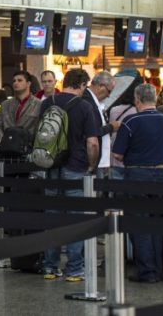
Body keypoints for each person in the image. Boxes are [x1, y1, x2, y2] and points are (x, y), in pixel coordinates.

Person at [41, 68, 100, 282]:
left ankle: (50, 267)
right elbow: (92, 142)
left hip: (50, 166)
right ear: (82, 84)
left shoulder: (47, 103)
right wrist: (91, 166)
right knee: (76, 219)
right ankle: (74, 269)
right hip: (75, 167)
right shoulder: (84, 106)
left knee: (52, 217)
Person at [112, 84, 163, 283]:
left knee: (139, 223)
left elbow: (117, 154)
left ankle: (146, 271)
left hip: (137, 175)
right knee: (156, 222)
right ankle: (158, 268)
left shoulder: (131, 121)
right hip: (161, 174)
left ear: (137, 100)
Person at [0, 71, 41, 157]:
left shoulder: (38, 105)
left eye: (19, 80)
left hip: (27, 152)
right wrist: (4, 140)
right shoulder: (5, 104)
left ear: (28, 83)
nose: (16, 83)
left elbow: (39, 130)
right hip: (6, 152)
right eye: (14, 81)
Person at [85, 71, 119, 177]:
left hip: (100, 161)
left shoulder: (93, 100)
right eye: (109, 91)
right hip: (93, 161)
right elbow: (92, 131)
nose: (109, 96)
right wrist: (111, 127)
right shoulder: (88, 101)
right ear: (101, 86)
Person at [107, 83, 138, 179]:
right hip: (129, 150)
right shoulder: (136, 111)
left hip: (115, 147)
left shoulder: (113, 109)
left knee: (116, 181)